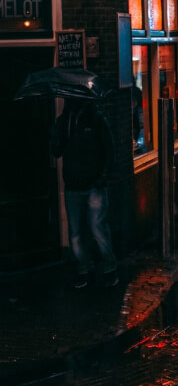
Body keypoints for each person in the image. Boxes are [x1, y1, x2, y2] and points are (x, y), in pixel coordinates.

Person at [50, 99, 117, 289]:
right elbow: (57, 151)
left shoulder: (96, 119)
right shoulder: (64, 121)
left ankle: (109, 267)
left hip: (94, 184)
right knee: (75, 233)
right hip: (73, 185)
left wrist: (102, 177)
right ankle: (83, 270)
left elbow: (109, 150)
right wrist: (56, 134)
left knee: (97, 228)